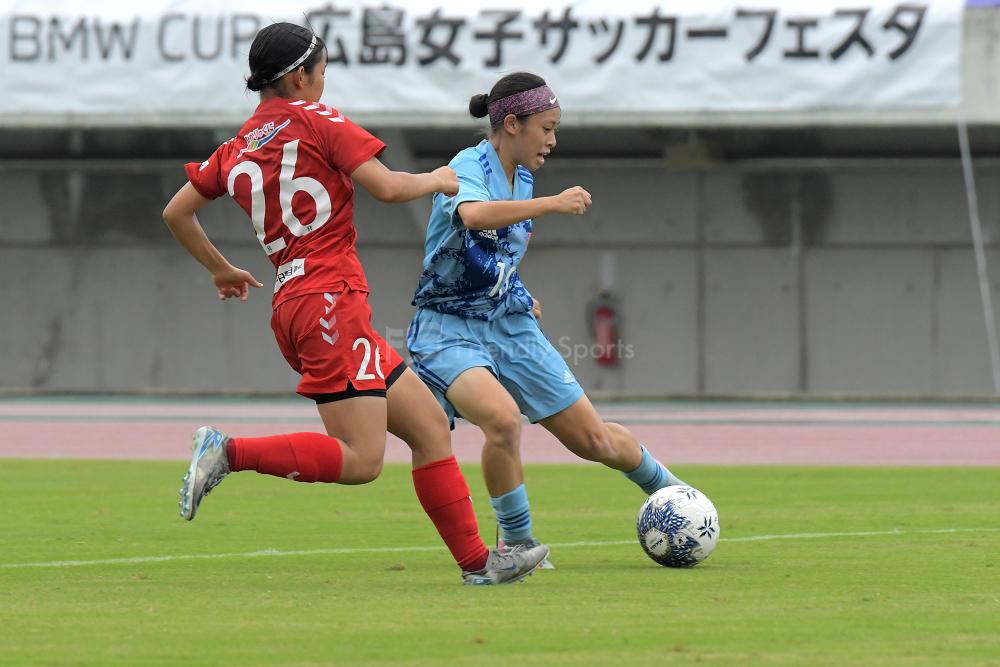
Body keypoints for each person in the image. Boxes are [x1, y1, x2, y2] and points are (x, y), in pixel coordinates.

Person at [161, 23, 548, 585]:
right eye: (321, 70)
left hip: (304, 303)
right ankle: (228, 451)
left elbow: (177, 212)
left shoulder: (238, 145)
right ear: (300, 75)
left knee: (428, 429)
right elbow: (387, 188)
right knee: (362, 460)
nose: (324, 81)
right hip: (328, 303)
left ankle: (480, 565)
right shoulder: (320, 119)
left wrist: (221, 268)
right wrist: (439, 180)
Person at [406, 72, 688, 565]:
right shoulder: (468, 164)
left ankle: (679, 497)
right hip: (448, 330)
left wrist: (516, 289)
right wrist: (554, 205)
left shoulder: (525, 176)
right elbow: (472, 216)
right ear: (512, 124)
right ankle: (516, 542)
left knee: (594, 439)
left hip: (509, 324)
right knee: (501, 420)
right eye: (548, 128)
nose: (553, 141)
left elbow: (489, 254)